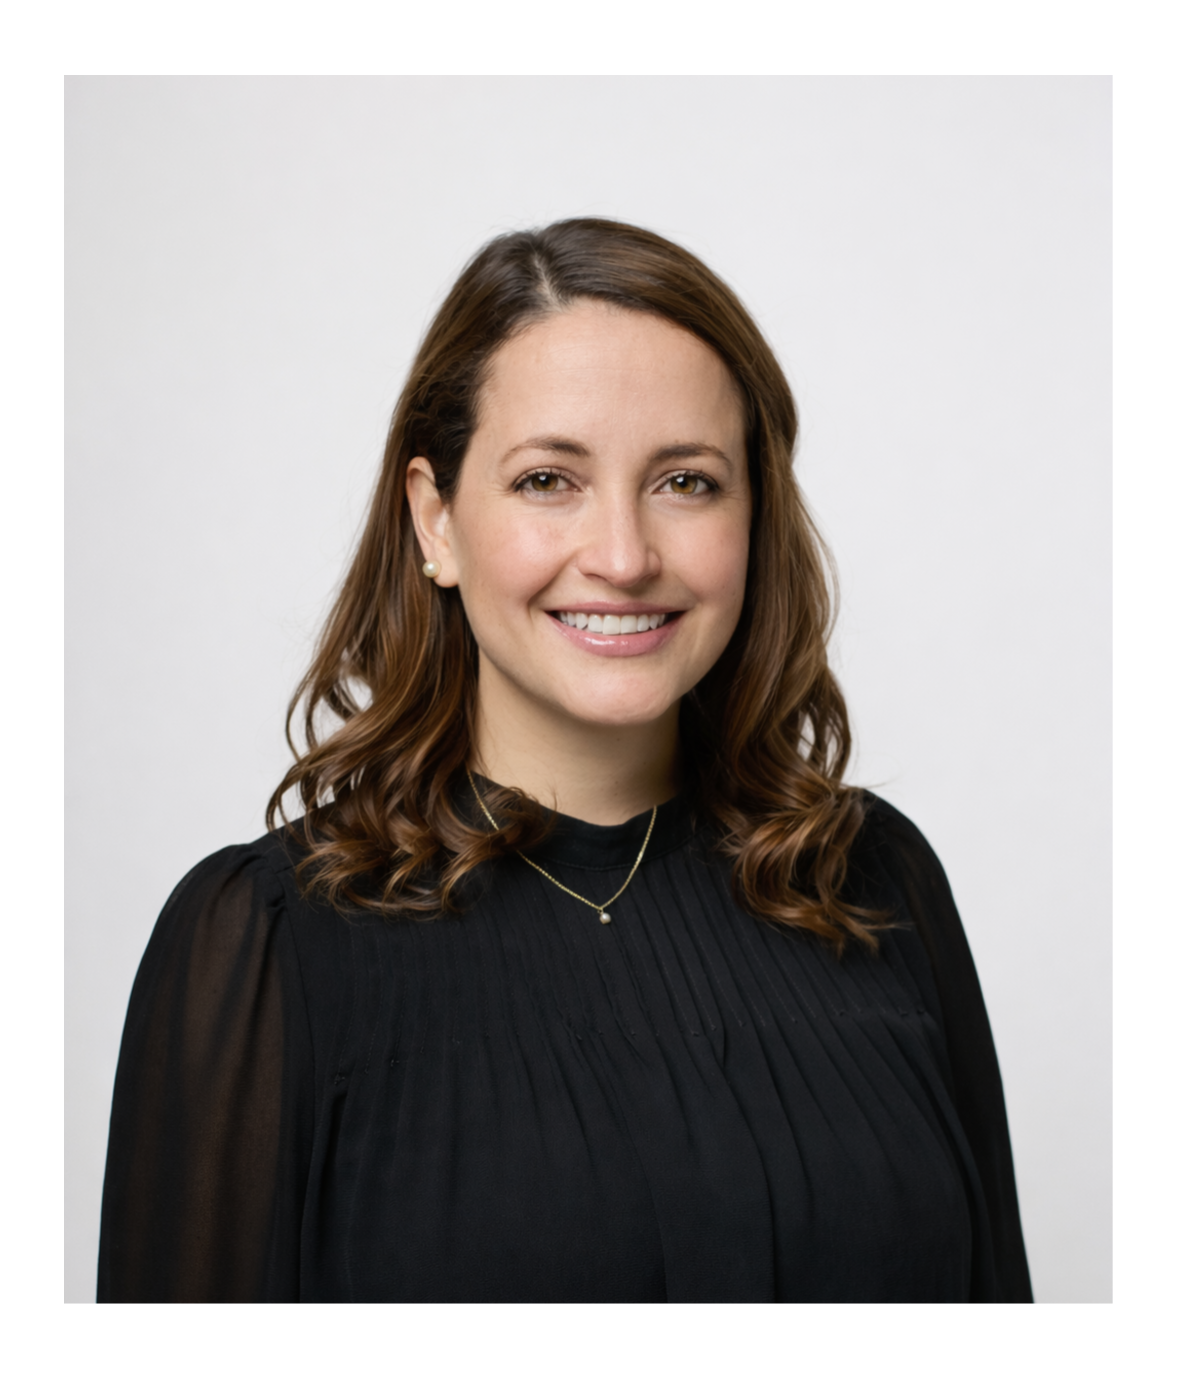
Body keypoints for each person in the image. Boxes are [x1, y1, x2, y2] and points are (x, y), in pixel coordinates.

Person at [97, 218, 1032, 1304]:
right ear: (435, 521)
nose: (624, 557)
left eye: (686, 482)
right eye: (548, 479)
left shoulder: (872, 882)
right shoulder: (264, 946)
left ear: (754, 513)